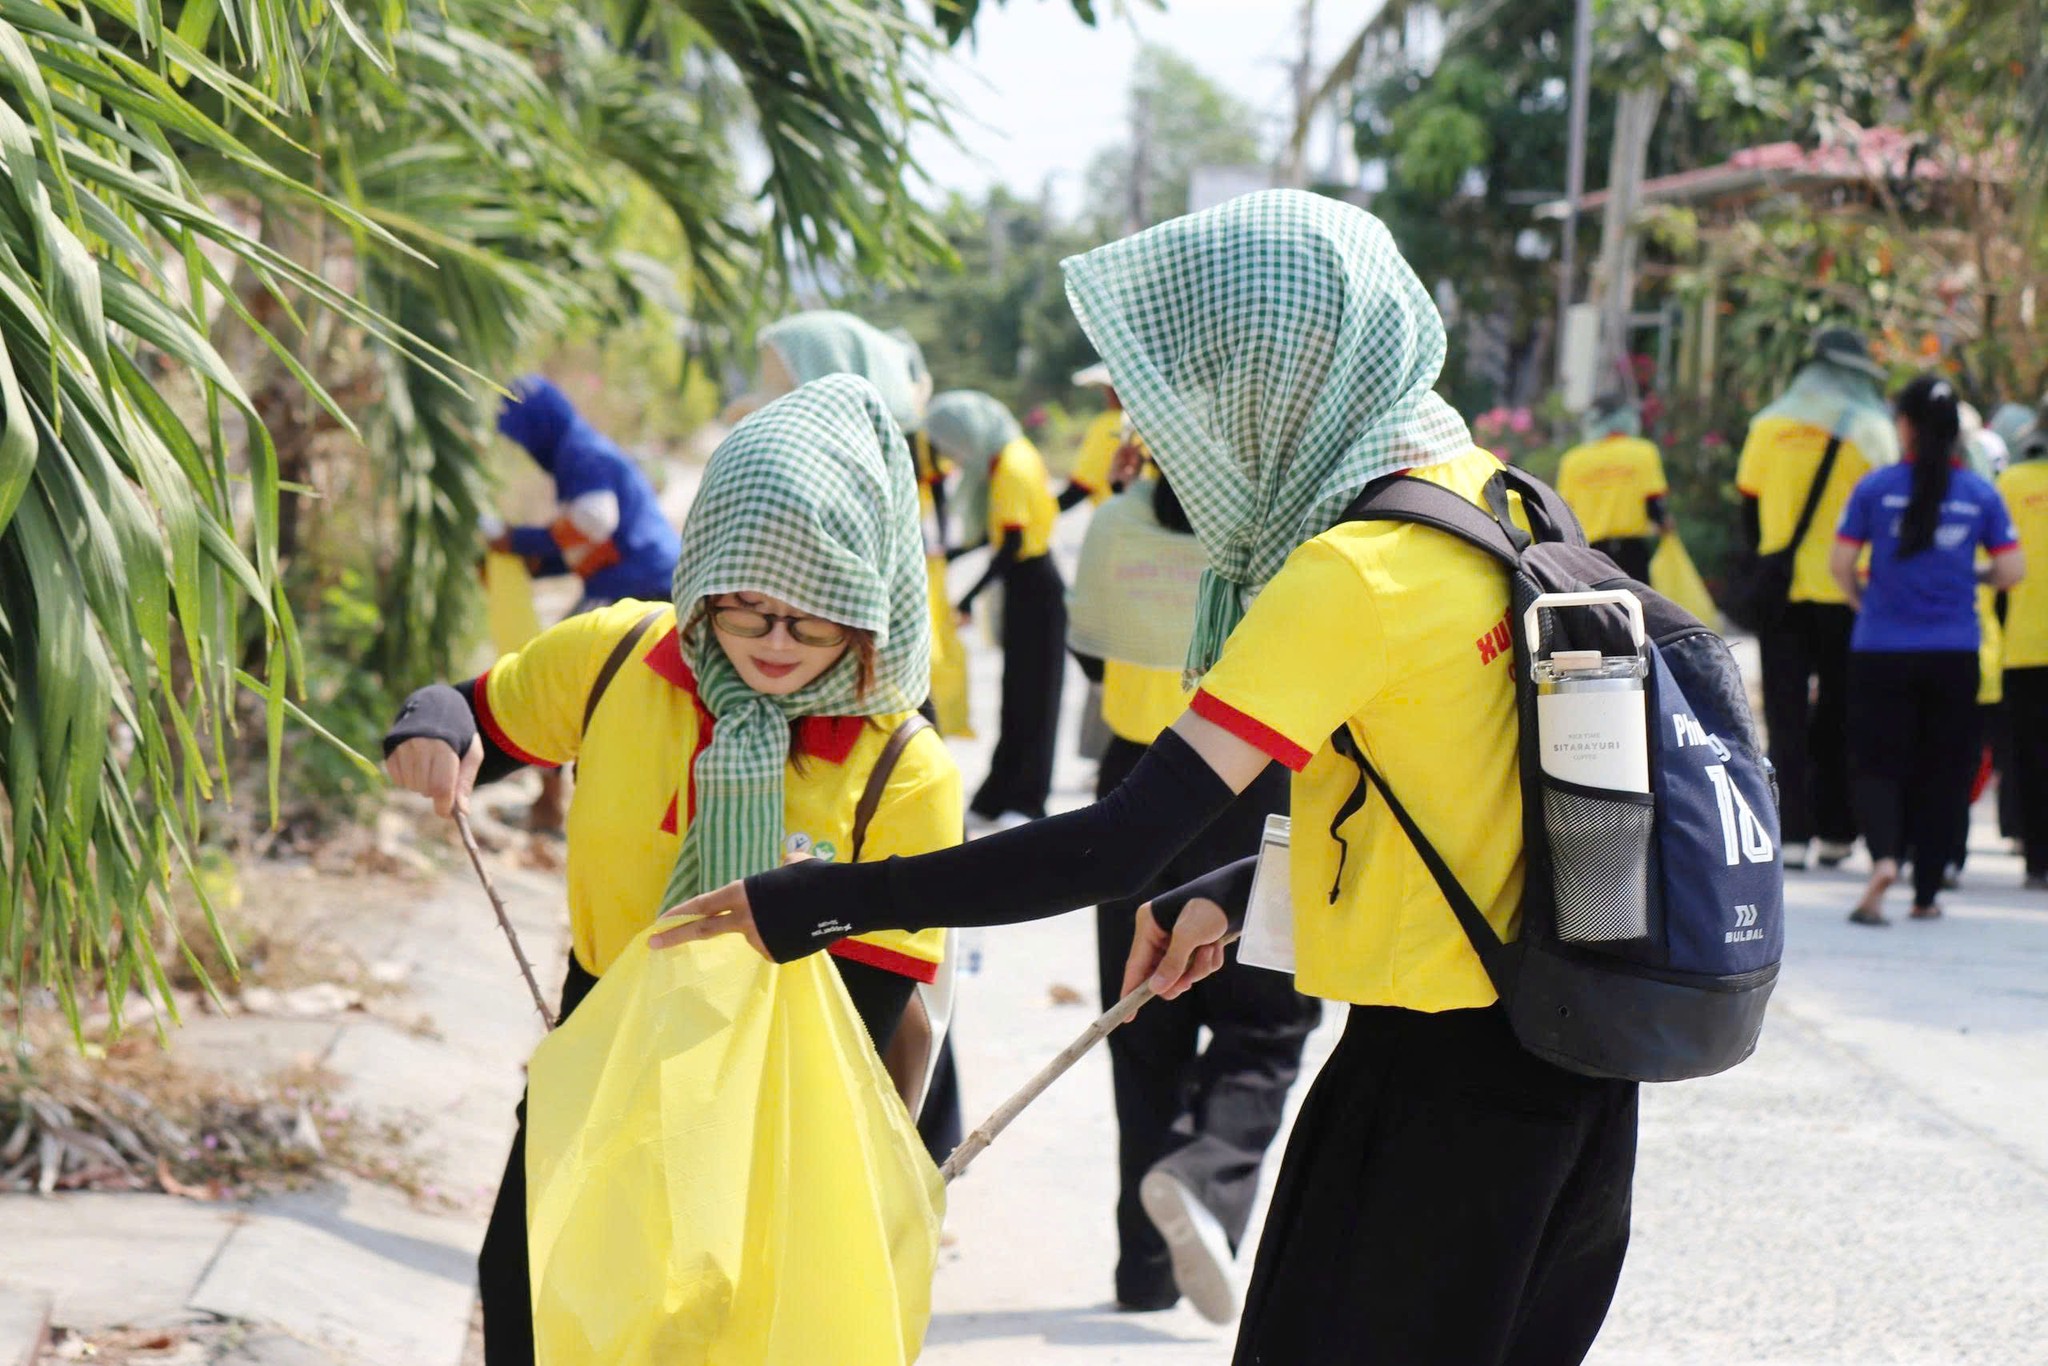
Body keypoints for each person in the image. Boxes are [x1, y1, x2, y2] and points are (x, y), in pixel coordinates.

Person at [661, 191, 1642, 1366]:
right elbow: (1464, 813)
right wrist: (1232, 892)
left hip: (1438, 1090)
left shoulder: (1356, 572)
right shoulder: (1501, 499)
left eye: (1180, 390)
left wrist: (820, 899)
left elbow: (1115, 844)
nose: (1153, 434)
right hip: (1578, 1072)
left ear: (1269, 377)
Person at [384, 375, 956, 1366]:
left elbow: (867, 1002)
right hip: (601, 1023)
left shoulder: (901, 769)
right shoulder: (618, 659)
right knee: (527, 1294)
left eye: (811, 620)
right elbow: (470, 709)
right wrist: (429, 730)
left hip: (782, 1079)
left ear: (867, 607)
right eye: (743, 609)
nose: (773, 646)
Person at [1085, 474, 1321, 1322]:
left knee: (1142, 1021)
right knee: (1265, 1024)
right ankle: (1204, 1176)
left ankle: (1143, 1273)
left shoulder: (1117, 523)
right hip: (1259, 782)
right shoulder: (1305, 532)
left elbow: (1088, 647)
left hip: (1137, 782)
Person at [1831, 375, 2025, 924]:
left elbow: (1841, 566)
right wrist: (1974, 574)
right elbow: (2013, 570)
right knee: (1944, 770)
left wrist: (1864, 601)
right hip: (1953, 651)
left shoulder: (1875, 488)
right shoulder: (1979, 494)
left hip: (1880, 649)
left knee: (1876, 762)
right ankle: (1926, 893)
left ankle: (1887, 857)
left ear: (1907, 426)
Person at [1737, 327, 1899, 871]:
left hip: (1782, 592)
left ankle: (1793, 833)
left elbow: (1749, 510)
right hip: (1849, 591)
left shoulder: (1768, 426)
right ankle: (1836, 831)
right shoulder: (1874, 434)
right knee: (1840, 711)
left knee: (1783, 713)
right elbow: (1889, 516)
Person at [489, 376, 682, 830]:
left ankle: (552, 806)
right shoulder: (579, 452)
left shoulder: (580, 453)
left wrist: (514, 539)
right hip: (647, 578)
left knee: (556, 678)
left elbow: (595, 521)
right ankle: (566, 803)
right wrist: (531, 562)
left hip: (637, 584)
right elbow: (590, 547)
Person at [928, 390, 1068, 826]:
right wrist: (944, 556)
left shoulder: (1009, 463)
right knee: (1017, 696)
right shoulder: (1010, 453)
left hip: (1034, 587)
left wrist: (967, 598)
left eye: (951, 444)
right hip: (1025, 585)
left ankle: (1027, 800)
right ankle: (1000, 791)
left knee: (1034, 700)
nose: (950, 455)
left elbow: (1009, 545)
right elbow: (996, 538)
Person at [1998, 418, 2048, 888]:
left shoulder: (2011, 484)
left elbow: (1994, 562)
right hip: (2022, 642)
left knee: (2030, 754)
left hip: (2025, 641)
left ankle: (2038, 859)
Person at [1553, 395, 1671, 581]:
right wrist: (1665, 525)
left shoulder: (1573, 461)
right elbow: (1654, 504)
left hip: (1589, 554)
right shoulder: (1643, 453)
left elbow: (1564, 513)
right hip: (1633, 551)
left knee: (1596, 606)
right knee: (1635, 605)